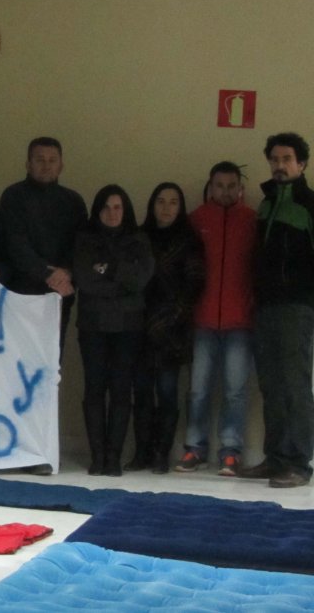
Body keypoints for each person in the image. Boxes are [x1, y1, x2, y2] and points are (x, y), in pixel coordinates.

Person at [240, 132, 314, 489]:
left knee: (294, 386)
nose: (280, 165)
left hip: (297, 307)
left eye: (287, 159)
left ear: (301, 164)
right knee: (271, 385)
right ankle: (277, 459)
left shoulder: (309, 206)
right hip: (265, 307)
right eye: (274, 159)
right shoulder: (266, 205)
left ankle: (299, 464)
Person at [177, 162, 255, 476]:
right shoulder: (196, 219)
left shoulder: (252, 220)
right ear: (210, 186)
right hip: (202, 320)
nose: (225, 191)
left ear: (240, 188)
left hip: (241, 321)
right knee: (198, 390)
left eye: (231, 185)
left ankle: (230, 451)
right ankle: (194, 448)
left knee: (236, 390)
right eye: (219, 185)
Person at [73, 184, 154, 477]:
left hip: (129, 328)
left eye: (118, 207)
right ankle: (98, 457)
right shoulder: (84, 239)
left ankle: (114, 457)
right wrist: (122, 276)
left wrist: (107, 268)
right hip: (93, 325)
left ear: (126, 210)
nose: (112, 213)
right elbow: (84, 279)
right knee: (94, 389)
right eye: (106, 207)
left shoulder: (139, 239)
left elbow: (140, 280)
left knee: (121, 391)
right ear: (98, 210)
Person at [126, 183, 204, 475]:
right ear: (152, 205)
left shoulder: (189, 240)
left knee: (168, 392)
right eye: (161, 201)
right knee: (142, 391)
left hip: (174, 328)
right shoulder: (139, 237)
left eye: (173, 202)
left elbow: (195, 285)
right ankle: (142, 452)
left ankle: (161, 453)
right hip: (138, 326)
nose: (167, 208)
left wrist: (169, 317)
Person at [0, 137, 88, 342]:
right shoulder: (13, 196)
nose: (46, 166)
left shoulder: (74, 201)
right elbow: (16, 245)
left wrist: (66, 272)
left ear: (61, 166)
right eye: (40, 160)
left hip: (60, 293)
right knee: (19, 359)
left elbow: (81, 246)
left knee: (52, 362)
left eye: (52, 160)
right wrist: (47, 273)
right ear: (28, 164)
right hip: (21, 293)